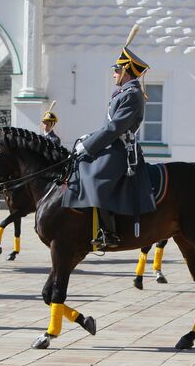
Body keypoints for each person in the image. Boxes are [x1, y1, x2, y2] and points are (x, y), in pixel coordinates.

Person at [62, 27, 156, 249]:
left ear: (126, 72)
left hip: (121, 149)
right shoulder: (123, 94)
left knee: (97, 178)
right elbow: (108, 126)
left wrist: (89, 145)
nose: (114, 74)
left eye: (117, 70)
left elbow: (115, 128)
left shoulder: (133, 95)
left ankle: (108, 231)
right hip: (112, 143)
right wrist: (89, 137)